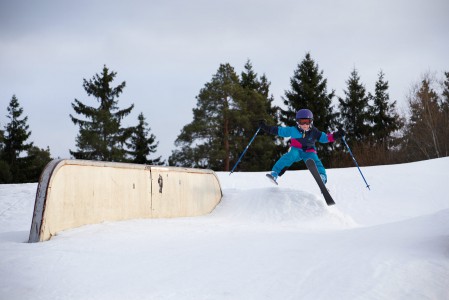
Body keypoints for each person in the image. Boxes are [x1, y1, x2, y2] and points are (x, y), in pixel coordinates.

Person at [259, 108, 345, 184]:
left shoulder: (314, 132)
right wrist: (265, 127)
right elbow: (279, 131)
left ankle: (322, 177)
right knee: (290, 156)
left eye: (307, 122)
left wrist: (336, 135)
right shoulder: (293, 130)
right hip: (296, 150)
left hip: (309, 151)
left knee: (315, 161)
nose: (304, 125)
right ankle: (275, 173)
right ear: (297, 122)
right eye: (301, 122)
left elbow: (325, 138)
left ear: (311, 122)